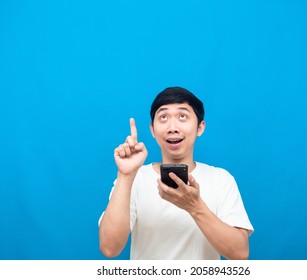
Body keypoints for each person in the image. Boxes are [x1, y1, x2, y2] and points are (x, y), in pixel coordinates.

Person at [99, 86, 253, 260]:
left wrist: (195, 207)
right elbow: (109, 248)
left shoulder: (221, 179)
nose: (172, 127)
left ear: (200, 127)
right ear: (152, 129)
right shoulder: (136, 178)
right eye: (163, 117)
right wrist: (125, 176)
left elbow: (240, 253)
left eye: (182, 116)